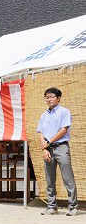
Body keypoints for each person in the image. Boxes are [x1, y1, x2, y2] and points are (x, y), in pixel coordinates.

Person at [37, 87, 78, 216]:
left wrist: (49, 143)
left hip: (61, 147)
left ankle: (73, 206)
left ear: (58, 98)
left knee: (67, 177)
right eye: (47, 97)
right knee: (50, 178)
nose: (49, 99)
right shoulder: (43, 115)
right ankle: (52, 207)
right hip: (47, 149)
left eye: (52, 97)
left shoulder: (64, 112)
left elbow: (63, 130)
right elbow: (41, 132)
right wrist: (44, 148)